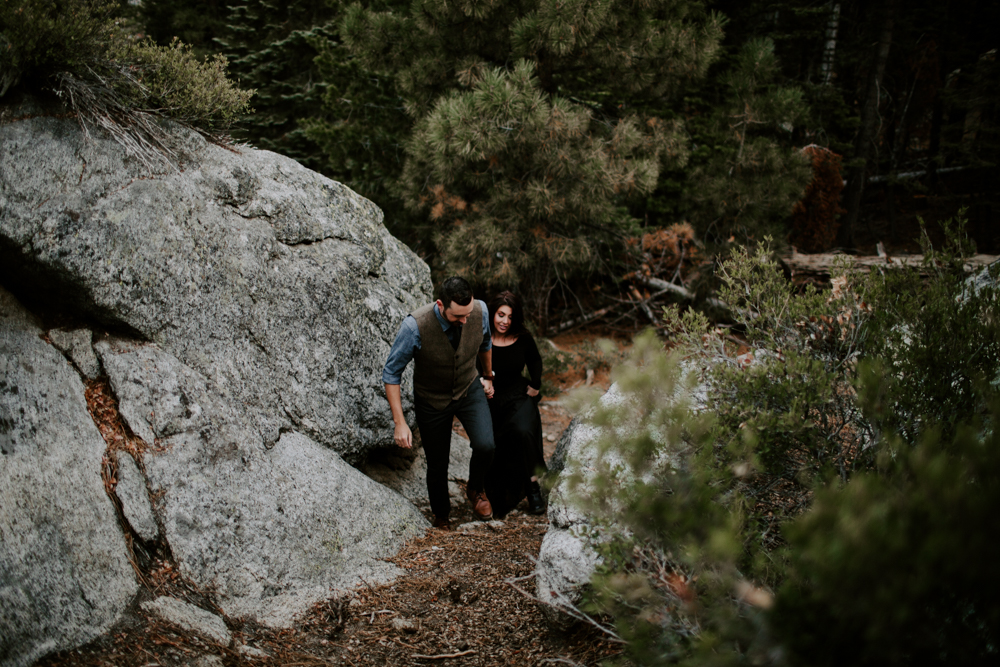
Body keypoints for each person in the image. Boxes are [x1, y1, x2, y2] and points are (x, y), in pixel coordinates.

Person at [382, 276, 496, 530]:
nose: (465, 320)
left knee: (486, 445)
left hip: (469, 388)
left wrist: (488, 376)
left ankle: (475, 489)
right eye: (458, 317)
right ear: (440, 305)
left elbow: (486, 342)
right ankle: (442, 516)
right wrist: (399, 422)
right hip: (432, 399)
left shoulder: (480, 310)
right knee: (437, 463)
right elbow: (391, 373)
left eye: (468, 315)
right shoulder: (414, 326)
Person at [483, 291, 547, 518]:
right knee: (493, 445)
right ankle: (491, 494)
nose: (505, 321)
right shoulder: (483, 336)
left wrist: (536, 385)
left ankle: (533, 487)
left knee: (523, 431)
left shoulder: (522, 337)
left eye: (510, 317)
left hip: (518, 395)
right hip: (491, 399)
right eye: (501, 315)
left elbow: (535, 360)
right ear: (493, 313)